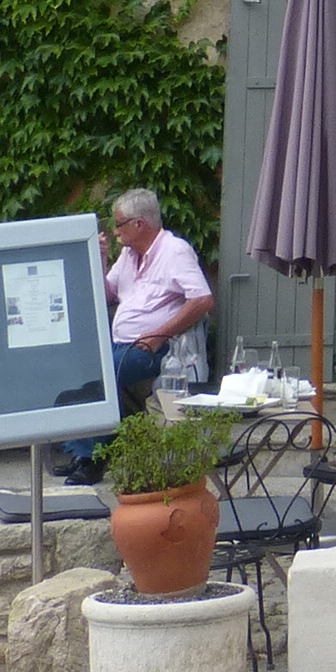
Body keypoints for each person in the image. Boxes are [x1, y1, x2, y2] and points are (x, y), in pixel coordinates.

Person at [60, 188, 212, 482]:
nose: (115, 231)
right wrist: (100, 261)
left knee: (97, 375)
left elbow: (202, 300)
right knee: (74, 373)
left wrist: (158, 335)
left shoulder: (175, 251)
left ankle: (91, 460)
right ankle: (83, 452)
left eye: (119, 224)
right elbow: (106, 295)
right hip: (123, 346)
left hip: (157, 350)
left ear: (139, 224)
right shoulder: (129, 255)